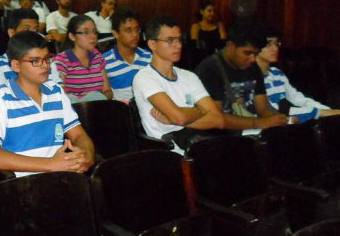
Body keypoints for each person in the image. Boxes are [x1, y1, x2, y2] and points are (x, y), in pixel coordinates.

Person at [0, 30, 95, 177]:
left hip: (58, 177)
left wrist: (85, 156)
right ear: (16, 65)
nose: (45, 65)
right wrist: (50, 165)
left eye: (47, 58)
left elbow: (79, 135)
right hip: (22, 183)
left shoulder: (56, 92)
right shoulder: (1, 97)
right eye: (35, 61)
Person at [132, 14, 224, 152]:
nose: (179, 45)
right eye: (170, 40)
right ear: (152, 44)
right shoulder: (144, 78)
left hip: (196, 148)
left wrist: (174, 119)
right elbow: (179, 117)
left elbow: (217, 120)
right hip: (167, 154)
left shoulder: (189, 76)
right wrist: (201, 110)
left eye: (179, 39)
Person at [195, 23, 290, 131]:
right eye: (247, 53)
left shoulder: (253, 67)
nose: (253, 59)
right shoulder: (209, 70)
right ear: (231, 46)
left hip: (253, 131)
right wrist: (261, 123)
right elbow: (215, 117)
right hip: (223, 136)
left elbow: (263, 107)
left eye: (256, 54)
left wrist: (277, 119)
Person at [257, 28, 340, 122]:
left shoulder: (276, 73)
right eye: (268, 44)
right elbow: (273, 110)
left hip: (286, 121)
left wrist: (329, 111)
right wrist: (318, 112)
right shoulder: (252, 78)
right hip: (269, 123)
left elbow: (298, 99)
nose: (275, 48)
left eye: (277, 44)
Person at [0, 8, 60, 89]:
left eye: (35, 29)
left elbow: (58, 90)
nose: (32, 34)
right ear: (12, 33)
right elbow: (1, 94)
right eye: (26, 30)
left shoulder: (46, 61)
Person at [53, 15, 113, 103]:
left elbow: (108, 91)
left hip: (98, 106)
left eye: (94, 32)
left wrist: (97, 99)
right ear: (72, 36)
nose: (93, 36)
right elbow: (60, 96)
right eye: (86, 32)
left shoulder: (97, 57)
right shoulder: (62, 60)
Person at [103, 9, 152, 102]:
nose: (135, 35)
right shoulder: (105, 61)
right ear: (115, 33)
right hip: (120, 108)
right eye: (128, 30)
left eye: (137, 30)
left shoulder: (149, 57)